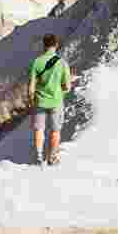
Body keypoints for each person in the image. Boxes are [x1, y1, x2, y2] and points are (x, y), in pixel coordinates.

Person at [29, 34, 74, 166]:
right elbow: (67, 86)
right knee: (55, 130)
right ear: (56, 45)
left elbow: (31, 86)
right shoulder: (62, 63)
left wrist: (31, 100)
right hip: (56, 102)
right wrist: (60, 91)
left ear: (44, 45)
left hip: (40, 101)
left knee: (39, 130)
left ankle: (38, 157)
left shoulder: (37, 62)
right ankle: (51, 157)